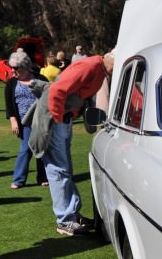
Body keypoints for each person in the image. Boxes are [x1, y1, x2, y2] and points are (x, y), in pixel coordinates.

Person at [43, 51, 115, 236]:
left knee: (63, 169)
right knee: (58, 170)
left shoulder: (97, 67)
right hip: (55, 119)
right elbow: (57, 90)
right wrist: (59, 119)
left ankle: (72, 215)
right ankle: (66, 220)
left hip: (62, 119)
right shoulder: (90, 66)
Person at [5, 52, 48, 189]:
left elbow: (49, 97)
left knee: (41, 148)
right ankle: (18, 180)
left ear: (25, 67)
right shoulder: (12, 82)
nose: (13, 71)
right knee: (26, 149)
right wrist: (13, 120)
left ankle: (43, 177)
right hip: (24, 122)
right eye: (11, 68)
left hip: (41, 121)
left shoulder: (41, 79)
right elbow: (9, 104)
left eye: (16, 68)